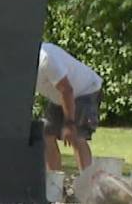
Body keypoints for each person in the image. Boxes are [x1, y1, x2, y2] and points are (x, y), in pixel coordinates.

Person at [37, 41, 103, 172]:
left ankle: (87, 185)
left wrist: (69, 123)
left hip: (85, 90)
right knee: (47, 134)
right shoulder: (18, 65)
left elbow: (67, 90)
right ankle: (54, 183)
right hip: (59, 96)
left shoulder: (46, 58)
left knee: (76, 136)